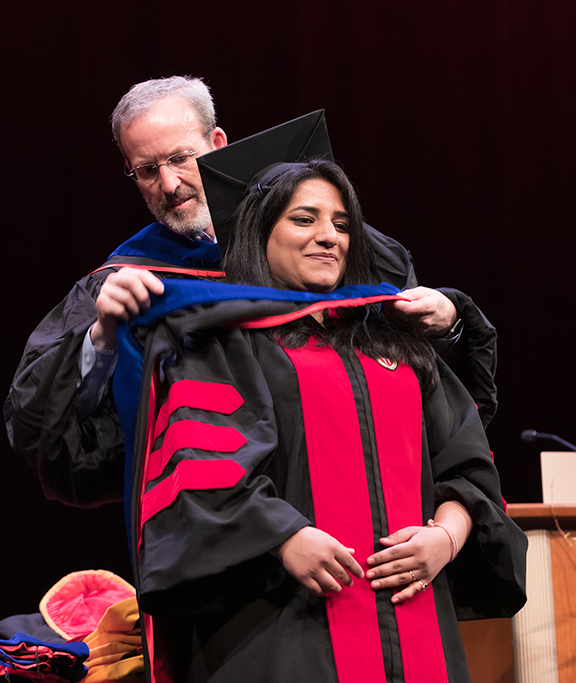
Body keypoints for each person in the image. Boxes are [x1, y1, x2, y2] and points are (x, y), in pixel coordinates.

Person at [112, 158, 526, 683]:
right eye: (305, 219)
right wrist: (284, 538)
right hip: (280, 627)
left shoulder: (392, 343)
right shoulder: (225, 343)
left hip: (415, 621)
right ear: (262, 231)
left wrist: (444, 539)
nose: (329, 236)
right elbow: (201, 473)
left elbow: (468, 469)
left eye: (342, 223)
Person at [5, 76, 497, 509]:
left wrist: (448, 325)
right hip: (220, 516)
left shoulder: (335, 248)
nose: (169, 184)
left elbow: (427, 393)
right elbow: (47, 426)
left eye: (181, 158)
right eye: (146, 170)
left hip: (358, 492)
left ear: (217, 142)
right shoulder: (129, 277)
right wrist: (102, 338)